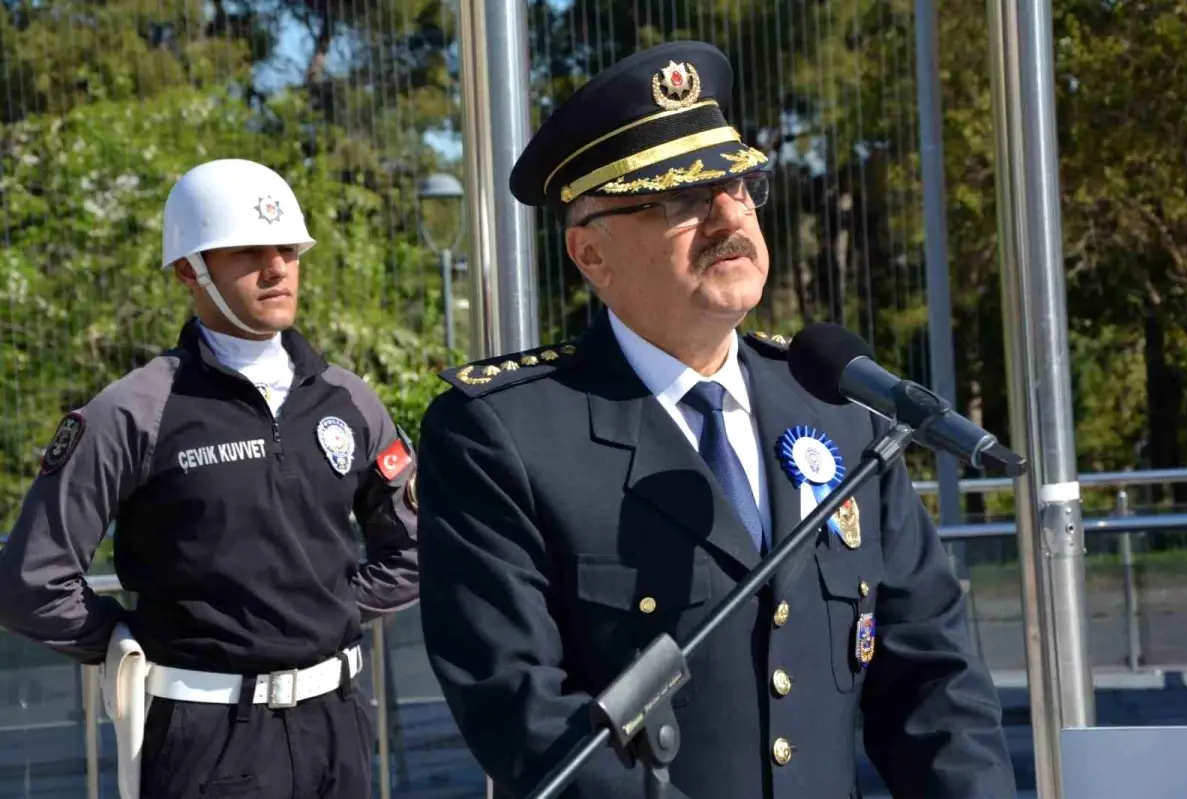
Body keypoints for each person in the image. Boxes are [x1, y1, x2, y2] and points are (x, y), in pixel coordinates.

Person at [415, 41, 1015, 799]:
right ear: (591, 254)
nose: (729, 214)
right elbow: (522, 709)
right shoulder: (502, 434)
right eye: (680, 198)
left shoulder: (836, 407)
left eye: (739, 184)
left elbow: (934, 676)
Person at [0, 158, 420, 799]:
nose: (277, 267)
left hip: (339, 728)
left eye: (288, 249)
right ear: (188, 271)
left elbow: (416, 547)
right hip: (205, 736)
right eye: (248, 252)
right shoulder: (134, 410)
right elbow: (32, 582)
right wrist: (128, 639)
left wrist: (325, 610)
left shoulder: (349, 400)